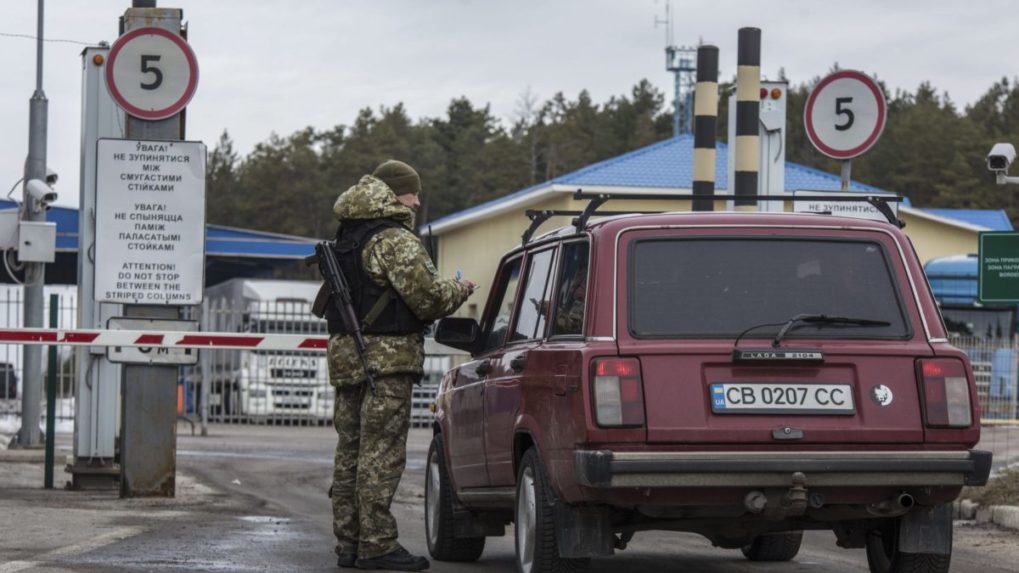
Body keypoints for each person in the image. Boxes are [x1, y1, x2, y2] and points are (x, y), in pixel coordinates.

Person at [326, 159, 475, 571]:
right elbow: (428, 298)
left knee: (351, 452)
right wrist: (459, 289)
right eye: (413, 192)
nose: (418, 199)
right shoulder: (394, 238)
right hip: (386, 363)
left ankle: (350, 542)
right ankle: (377, 546)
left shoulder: (348, 235)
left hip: (349, 359)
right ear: (395, 194)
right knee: (381, 453)